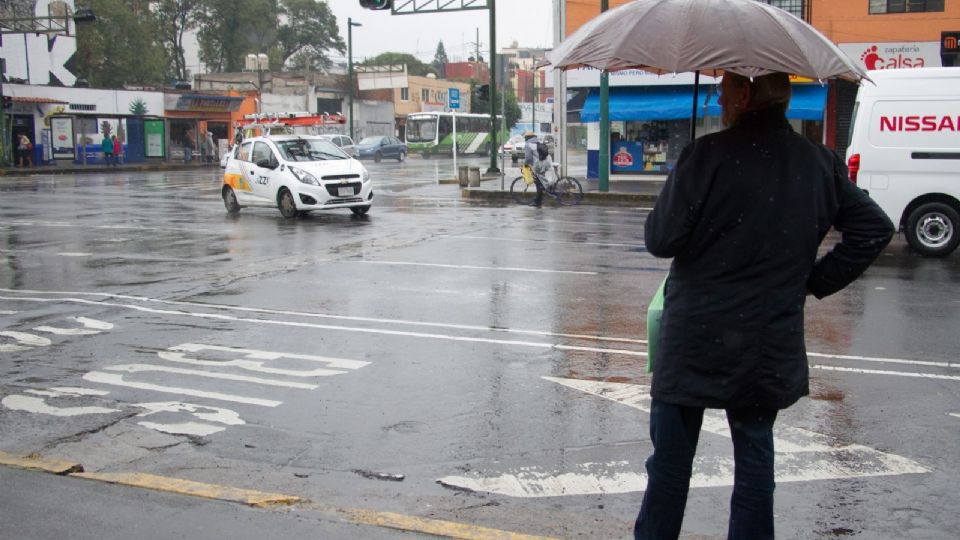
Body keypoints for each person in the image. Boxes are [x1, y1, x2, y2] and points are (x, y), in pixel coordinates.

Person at [636, 72, 894, 540]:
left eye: (724, 88)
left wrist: (682, 182)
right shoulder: (818, 162)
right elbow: (873, 229)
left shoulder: (706, 156)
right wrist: (809, 283)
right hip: (765, 341)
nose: (717, 97)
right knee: (755, 463)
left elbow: (661, 239)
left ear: (745, 94)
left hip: (695, 338)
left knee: (670, 466)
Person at [522, 131, 546, 206]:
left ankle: (537, 202)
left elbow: (528, 157)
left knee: (538, 183)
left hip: (537, 165)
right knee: (540, 182)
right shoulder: (539, 142)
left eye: (525, 137)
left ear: (528, 137)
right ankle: (539, 199)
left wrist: (525, 164)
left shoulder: (528, 144)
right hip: (544, 164)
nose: (525, 139)